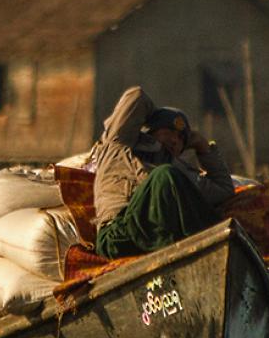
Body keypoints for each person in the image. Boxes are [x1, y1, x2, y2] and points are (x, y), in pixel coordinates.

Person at [92, 86, 234, 258]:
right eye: (168, 132)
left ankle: (218, 247)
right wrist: (156, 116)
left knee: (178, 183)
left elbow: (223, 189)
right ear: (150, 132)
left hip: (163, 233)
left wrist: (202, 146)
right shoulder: (119, 145)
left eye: (181, 138)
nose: (175, 141)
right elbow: (136, 96)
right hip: (121, 233)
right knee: (164, 175)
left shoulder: (179, 172)